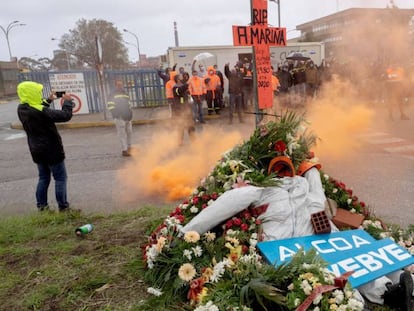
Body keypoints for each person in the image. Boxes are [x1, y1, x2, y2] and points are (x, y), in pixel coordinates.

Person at [181, 159, 414, 310]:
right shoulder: (261, 191)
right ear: (270, 173)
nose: (283, 174)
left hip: (313, 242)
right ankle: (358, 302)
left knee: (352, 263)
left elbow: (316, 186)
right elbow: (225, 205)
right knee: (323, 276)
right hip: (281, 251)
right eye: (279, 170)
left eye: (287, 169)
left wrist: (310, 167)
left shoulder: (305, 189)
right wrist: (188, 231)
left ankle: (392, 291)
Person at [17, 81, 73, 212]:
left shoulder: (22, 108)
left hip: (36, 150)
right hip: (51, 150)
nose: (40, 94)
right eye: (38, 92)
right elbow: (65, 116)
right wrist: (68, 102)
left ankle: (42, 207)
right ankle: (63, 207)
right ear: (32, 93)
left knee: (43, 178)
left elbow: (37, 107)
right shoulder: (42, 111)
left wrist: (48, 100)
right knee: (60, 178)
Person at [107, 80, 133, 157]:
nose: (120, 86)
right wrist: (116, 114)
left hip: (127, 116)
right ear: (115, 85)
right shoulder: (112, 94)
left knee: (129, 132)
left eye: (121, 85)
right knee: (122, 134)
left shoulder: (125, 93)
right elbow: (110, 105)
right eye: (118, 85)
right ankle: (124, 150)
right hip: (120, 117)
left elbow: (129, 104)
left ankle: (129, 147)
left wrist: (130, 113)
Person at [172, 74, 196, 145]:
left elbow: (186, 95)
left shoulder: (184, 86)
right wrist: (186, 85)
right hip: (180, 110)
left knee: (190, 125)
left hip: (187, 109)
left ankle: (193, 140)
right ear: (178, 79)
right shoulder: (175, 87)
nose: (183, 78)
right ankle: (180, 142)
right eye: (181, 77)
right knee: (180, 126)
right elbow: (179, 91)